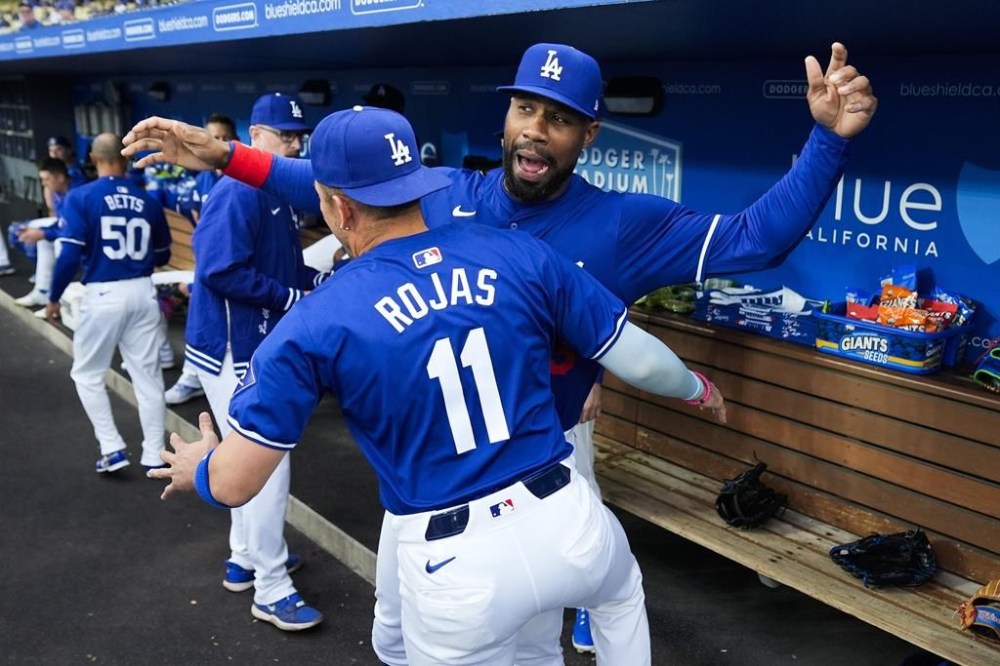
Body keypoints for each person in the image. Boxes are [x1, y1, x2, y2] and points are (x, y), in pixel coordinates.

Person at [122, 40, 877, 662]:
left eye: (560, 118)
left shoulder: (622, 223)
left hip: (546, 455)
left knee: (521, 636)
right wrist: (219, 154)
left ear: (589, 136)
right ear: (506, 112)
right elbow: (313, 179)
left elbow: (759, 237)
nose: (536, 129)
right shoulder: (449, 194)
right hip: (430, 480)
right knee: (415, 629)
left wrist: (828, 140)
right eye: (525, 107)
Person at [148, 106, 727, 666]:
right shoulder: (519, 250)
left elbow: (234, 484)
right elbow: (647, 365)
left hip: (456, 561)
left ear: (337, 209)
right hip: (568, 519)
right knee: (610, 605)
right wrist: (698, 390)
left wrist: (198, 465)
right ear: (420, 186)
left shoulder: (315, 318)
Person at [183, 93, 326, 632]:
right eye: (283, 134)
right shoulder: (240, 189)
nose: (293, 143)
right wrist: (292, 299)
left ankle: (246, 557)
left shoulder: (273, 191)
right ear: (253, 134)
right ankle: (270, 587)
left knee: (252, 458)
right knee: (266, 466)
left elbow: (283, 268)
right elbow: (219, 270)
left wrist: (318, 283)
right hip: (230, 348)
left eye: (297, 135)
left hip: (250, 345)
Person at [46, 133, 172, 473]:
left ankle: (113, 448)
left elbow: (70, 254)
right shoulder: (147, 200)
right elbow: (163, 254)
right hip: (143, 291)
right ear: (125, 158)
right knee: (148, 377)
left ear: (93, 157)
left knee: (87, 374)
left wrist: (54, 297)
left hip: (103, 293)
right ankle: (154, 453)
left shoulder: (81, 196)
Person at [163, 113, 238, 406]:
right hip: (208, 265)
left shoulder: (242, 176)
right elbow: (198, 222)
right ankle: (192, 377)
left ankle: (194, 378)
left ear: (235, 140)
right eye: (213, 136)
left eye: (223, 137)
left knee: (204, 303)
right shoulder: (203, 179)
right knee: (200, 301)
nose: (218, 143)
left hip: (234, 266)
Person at [12, 157, 75, 307]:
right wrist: (40, 232)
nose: (43, 183)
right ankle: (42, 290)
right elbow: (61, 222)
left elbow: (70, 228)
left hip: (85, 237)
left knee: (58, 242)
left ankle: (60, 298)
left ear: (60, 177)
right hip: (69, 229)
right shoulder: (58, 191)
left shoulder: (75, 193)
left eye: (46, 179)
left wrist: (43, 233)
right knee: (25, 230)